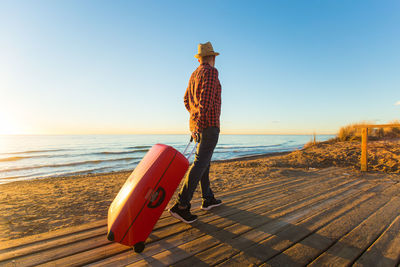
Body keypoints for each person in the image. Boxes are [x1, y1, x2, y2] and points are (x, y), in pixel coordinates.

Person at [169, 42, 222, 223]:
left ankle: (208, 199)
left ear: (199, 58)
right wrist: (200, 122)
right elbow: (206, 102)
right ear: (212, 57)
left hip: (197, 126)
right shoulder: (211, 72)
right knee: (200, 163)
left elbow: (186, 100)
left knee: (204, 162)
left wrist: (194, 120)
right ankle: (181, 205)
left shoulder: (194, 74)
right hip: (208, 125)